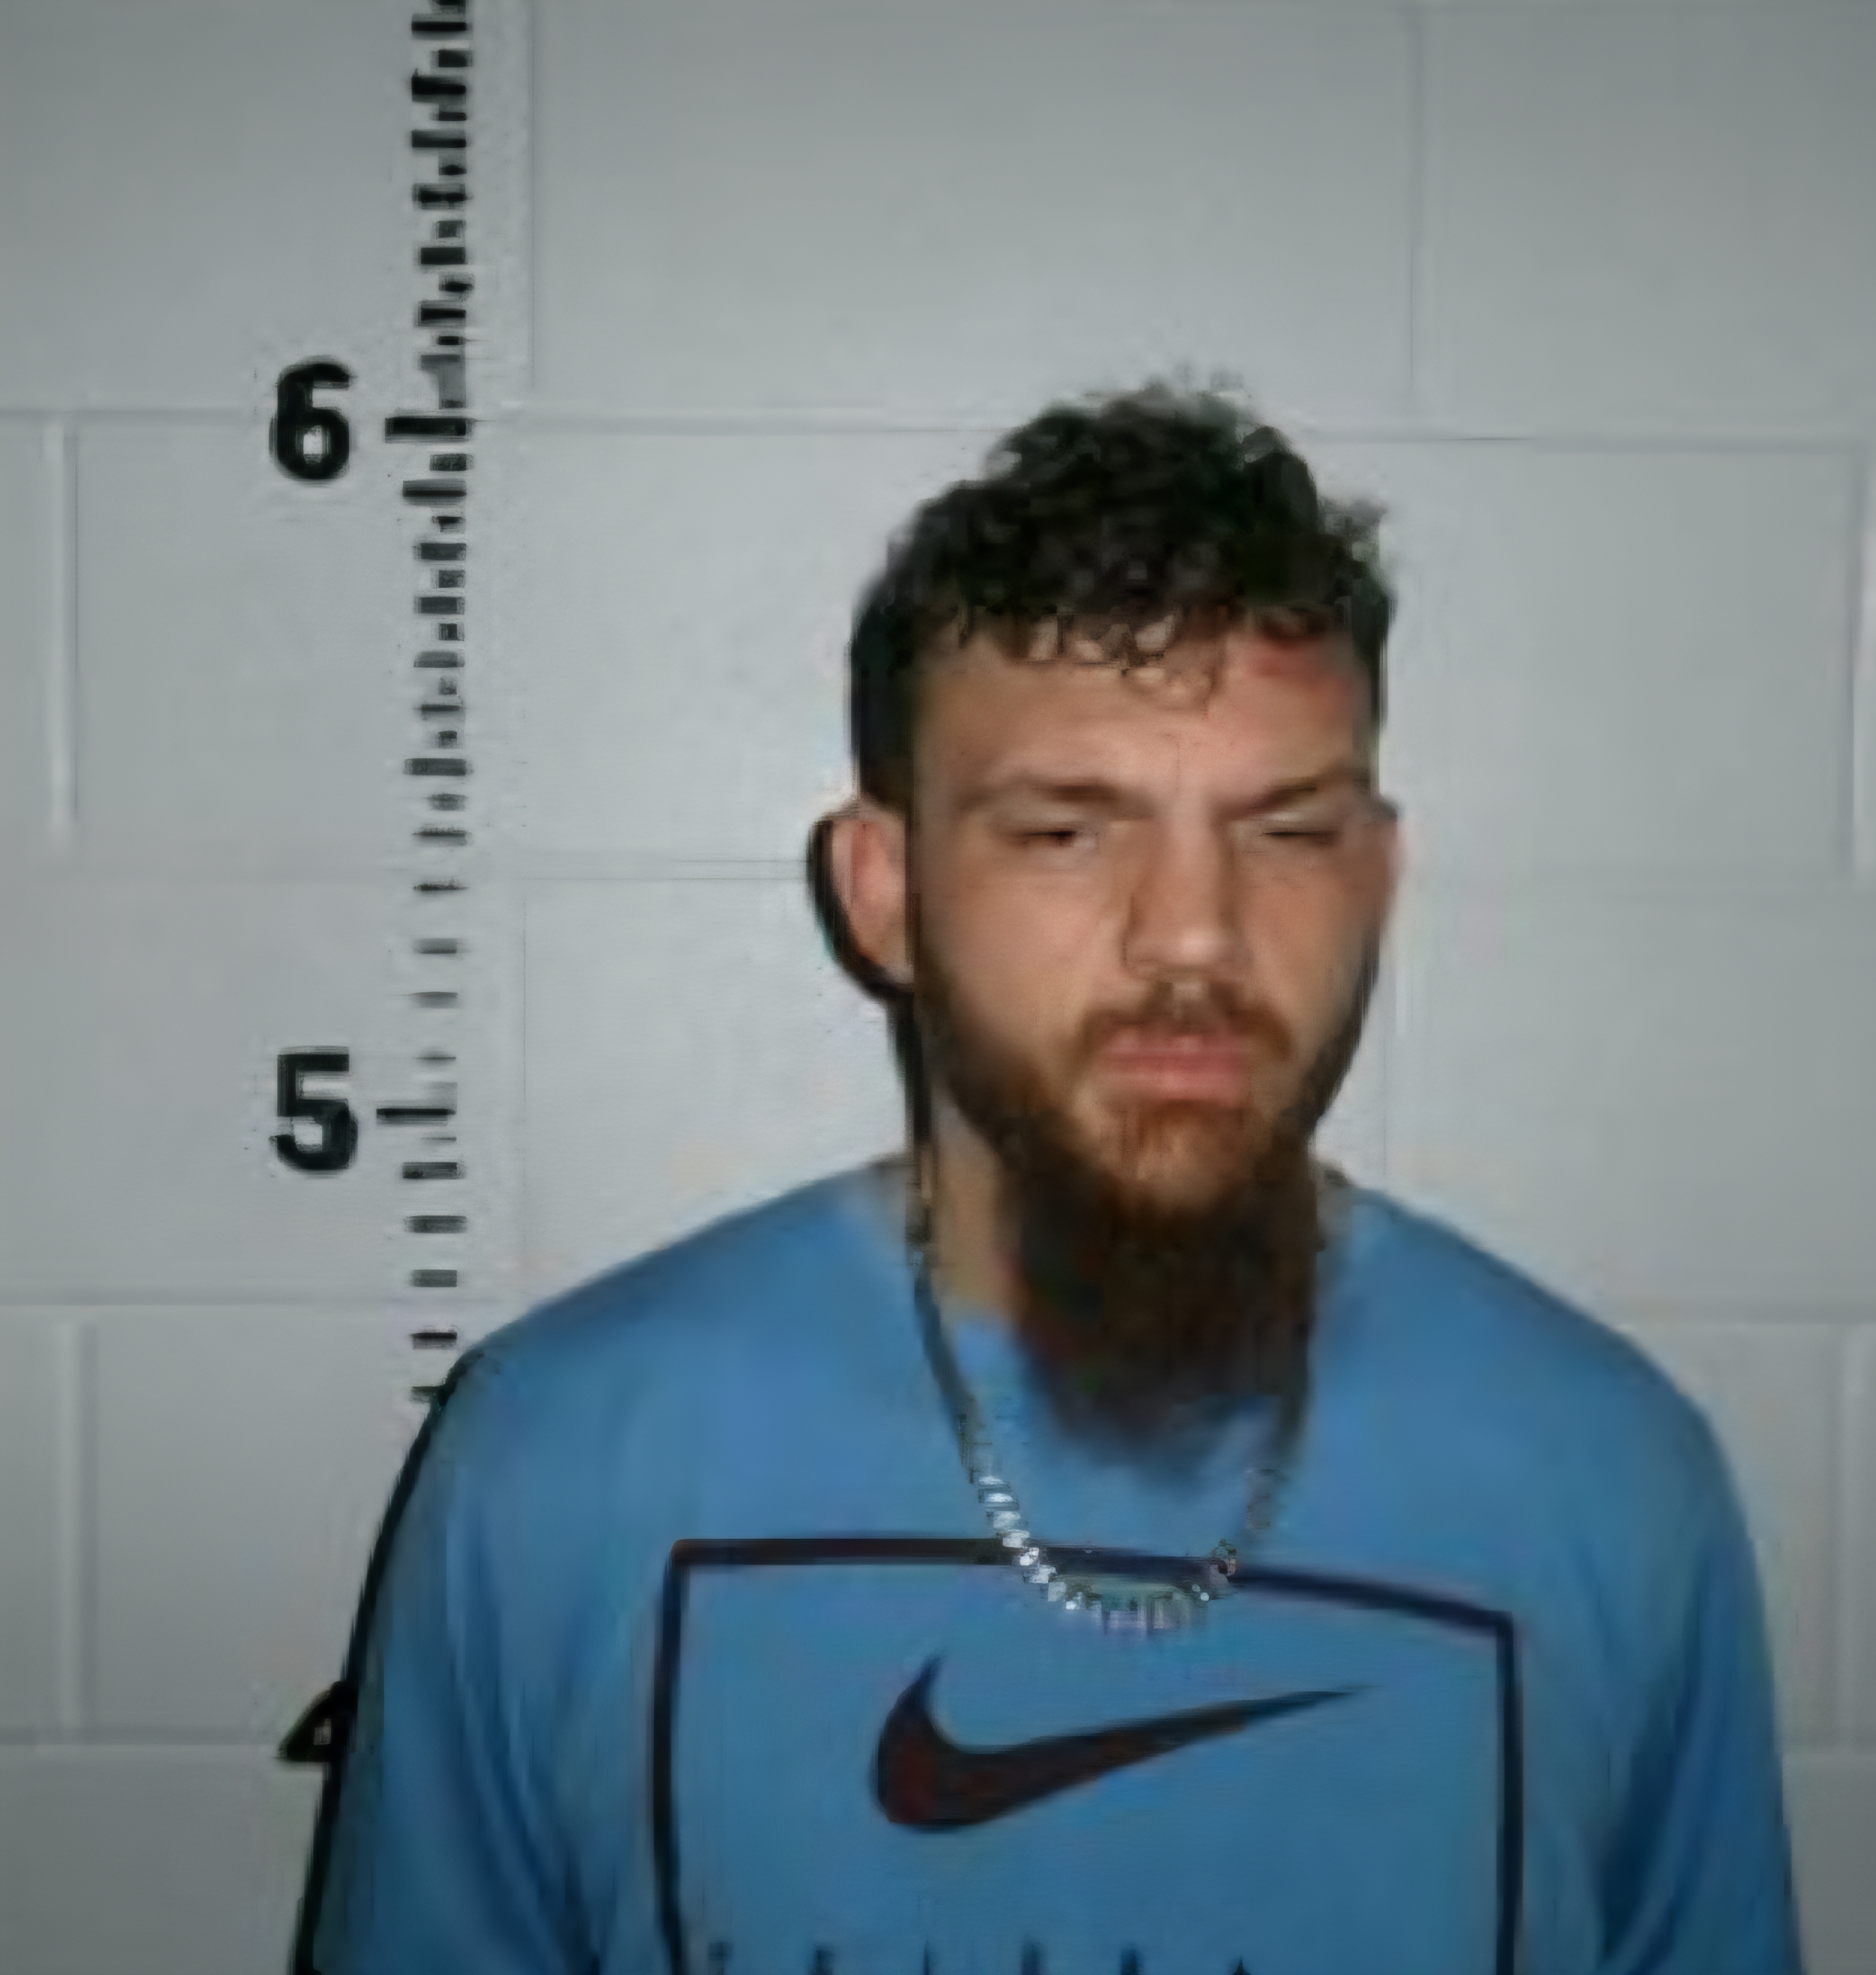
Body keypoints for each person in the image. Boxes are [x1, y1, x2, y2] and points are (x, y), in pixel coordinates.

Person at [299, 384, 1804, 1975]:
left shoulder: (1606, 1479)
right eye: (1065, 832)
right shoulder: (562, 1461)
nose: (1193, 935)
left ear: (1378, 873)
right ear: (885, 892)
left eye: (1289, 830)